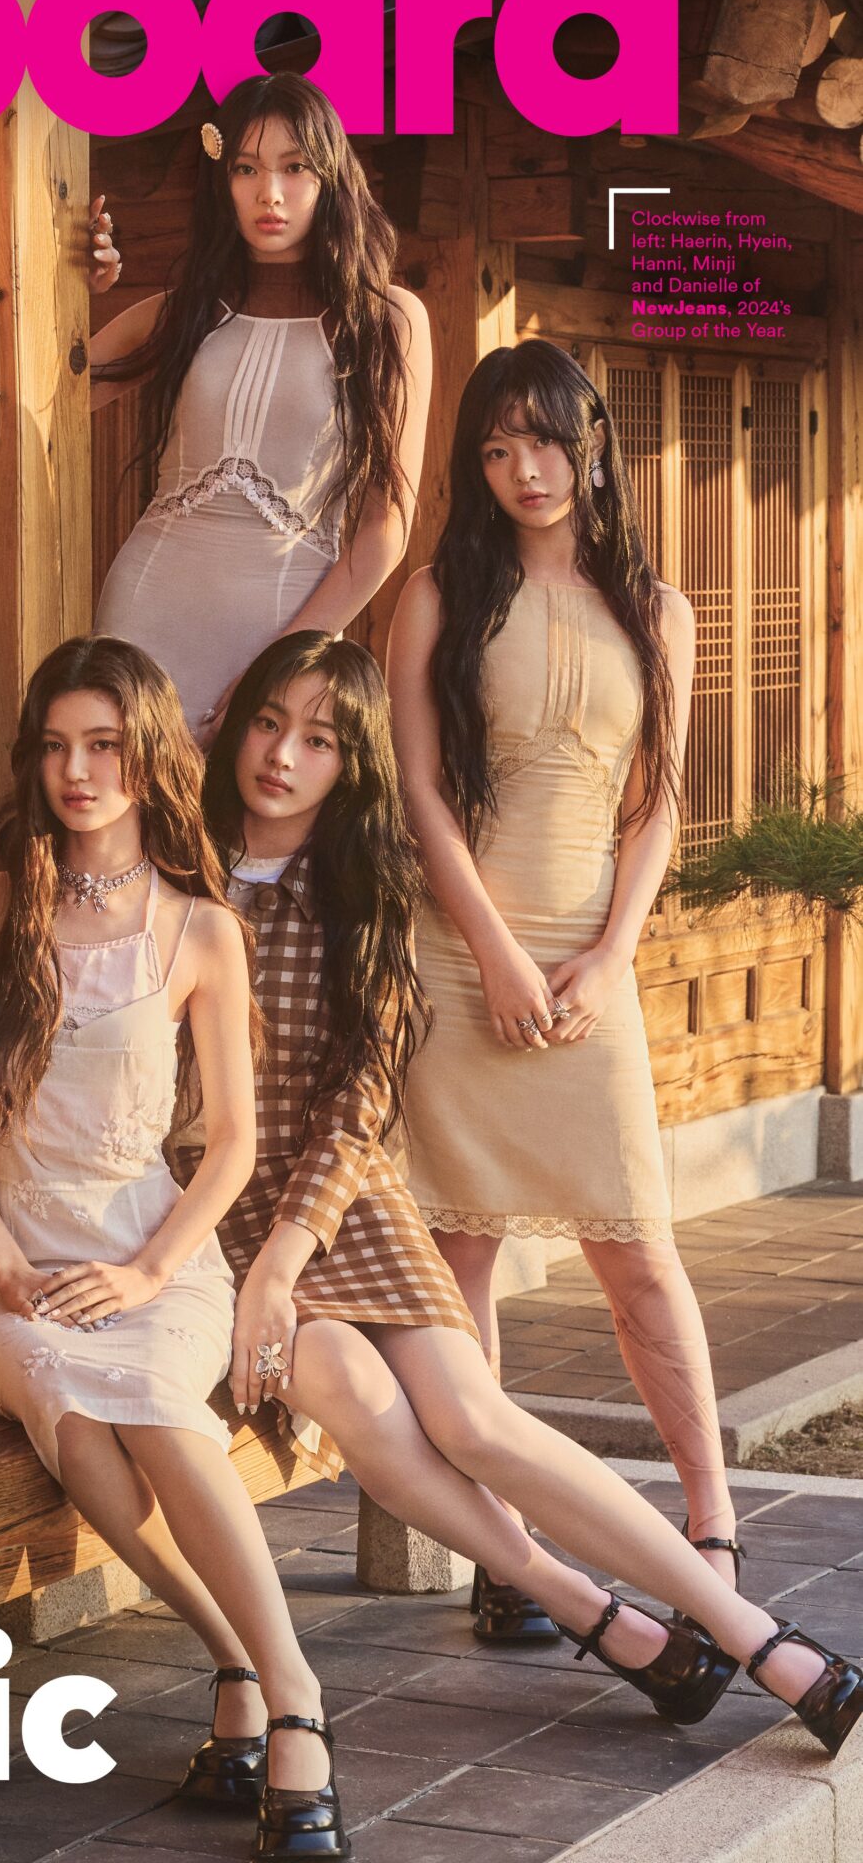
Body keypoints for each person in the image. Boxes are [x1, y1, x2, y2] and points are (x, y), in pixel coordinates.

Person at [198, 630, 863, 1762]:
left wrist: (288, 1253)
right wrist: (255, 1266)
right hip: (210, 1218)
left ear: (351, 764)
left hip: (336, 1203)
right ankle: (593, 1609)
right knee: (350, 1385)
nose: (281, 756)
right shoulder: (182, 872)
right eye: (268, 724)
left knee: (471, 1418)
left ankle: (749, 1634)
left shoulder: (365, 889)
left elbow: (358, 1102)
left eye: (318, 739)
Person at [0, 636, 348, 1861]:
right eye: (56, 746)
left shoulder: (200, 929)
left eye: (103, 745)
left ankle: (288, 1692)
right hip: (9, 1274)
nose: (76, 770)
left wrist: (149, 1271)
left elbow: (231, 1146)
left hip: (154, 1260)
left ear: (148, 756)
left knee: (157, 1401)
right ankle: (240, 1660)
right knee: (64, 1396)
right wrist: (3, 1261)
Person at [387, 338, 735, 1631]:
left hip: (592, 961)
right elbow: (416, 788)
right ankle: (505, 1549)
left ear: (592, 443)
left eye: (543, 439)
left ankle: (711, 1525)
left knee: (636, 1249)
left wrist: (612, 952)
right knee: (460, 1254)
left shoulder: (657, 610)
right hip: (459, 953)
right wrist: (489, 950)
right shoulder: (437, 594)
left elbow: (657, 806)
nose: (524, 469)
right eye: (495, 448)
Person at [87, 72, 430, 743]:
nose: (269, 193)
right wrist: (78, 286)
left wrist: (279, 666)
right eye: (246, 168)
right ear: (223, 182)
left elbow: (383, 531)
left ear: (329, 176)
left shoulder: (386, 321)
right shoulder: (185, 312)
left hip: (284, 635)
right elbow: (52, 393)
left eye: (294, 168)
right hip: (145, 617)